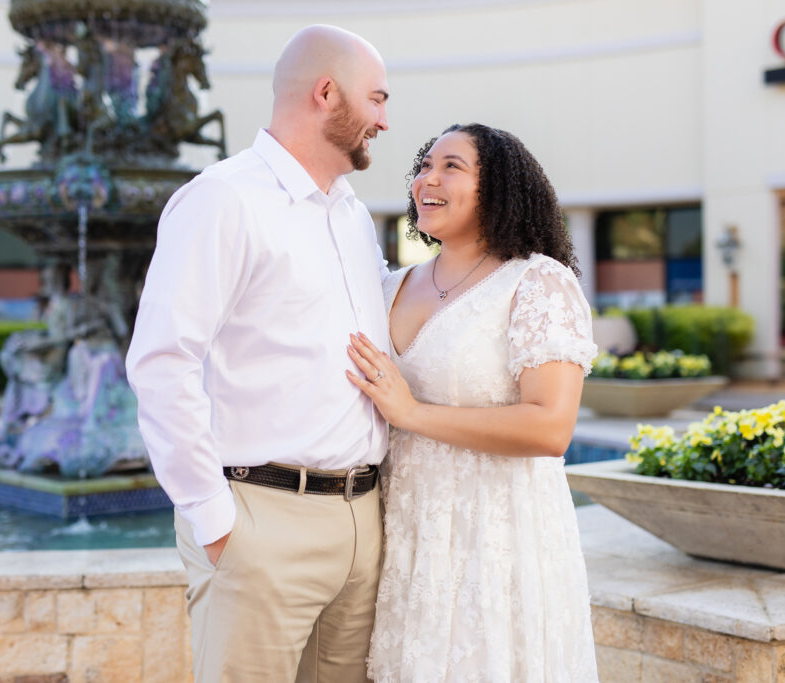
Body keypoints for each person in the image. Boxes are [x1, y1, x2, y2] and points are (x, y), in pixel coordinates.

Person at [125, 24, 391, 682]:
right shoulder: (222, 199)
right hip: (259, 520)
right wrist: (216, 521)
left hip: (365, 519)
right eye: (378, 99)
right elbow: (162, 364)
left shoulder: (354, 216)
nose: (385, 120)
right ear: (327, 94)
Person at [346, 124, 599, 681]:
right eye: (425, 165)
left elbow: (551, 427)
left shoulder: (537, 282)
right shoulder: (388, 286)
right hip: (405, 534)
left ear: (500, 188)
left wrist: (411, 413)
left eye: (452, 167)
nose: (427, 179)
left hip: (499, 538)